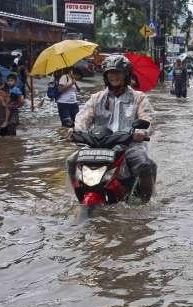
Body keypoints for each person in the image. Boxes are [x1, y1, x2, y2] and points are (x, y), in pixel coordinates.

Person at [66, 54, 157, 202]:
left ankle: (145, 203)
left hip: (129, 144)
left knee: (146, 166)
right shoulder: (97, 98)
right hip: (98, 144)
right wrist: (76, 131)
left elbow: (147, 118)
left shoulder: (139, 97)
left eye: (118, 72)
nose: (114, 76)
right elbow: (83, 116)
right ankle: (79, 196)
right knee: (71, 161)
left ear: (126, 75)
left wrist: (141, 132)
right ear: (105, 76)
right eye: (110, 73)